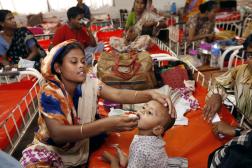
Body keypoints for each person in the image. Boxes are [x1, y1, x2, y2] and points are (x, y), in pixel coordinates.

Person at [20, 40, 176, 167]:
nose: (81, 65)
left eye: (83, 61)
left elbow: (117, 94)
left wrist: (150, 93)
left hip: (81, 142)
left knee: (99, 134)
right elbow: (58, 135)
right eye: (73, 62)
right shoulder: (50, 93)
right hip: (52, 147)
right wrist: (105, 124)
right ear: (58, 67)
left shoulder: (89, 81)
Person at [102, 100, 187, 168]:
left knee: (121, 160)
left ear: (157, 129)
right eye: (143, 107)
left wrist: (113, 161)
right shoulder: (154, 136)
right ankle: (126, 160)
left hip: (141, 161)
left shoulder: (140, 148)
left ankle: (114, 160)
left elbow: (141, 154)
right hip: (150, 163)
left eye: (149, 112)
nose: (143, 111)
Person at [203, 34, 252, 137]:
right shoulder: (243, 70)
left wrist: (237, 132)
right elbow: (221, 83)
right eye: (250, 55)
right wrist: (217, 95)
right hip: (241, 123)